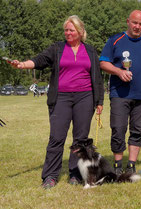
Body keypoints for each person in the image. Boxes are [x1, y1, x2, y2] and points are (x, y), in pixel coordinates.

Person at [7, 15, 104, 189]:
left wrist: (99, 101)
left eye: (71, 30)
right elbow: (39, 60)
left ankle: (75, 174)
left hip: (85, 97)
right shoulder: (57, 48)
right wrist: (22, 65)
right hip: (61, 97)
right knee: (56, 137)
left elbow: (97, 78)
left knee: (80, 139)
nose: (68, 33)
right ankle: (50, 176)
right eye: (66, 30)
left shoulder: (90, 51)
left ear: (80, 32)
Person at [100, 10, 141, 175]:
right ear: (128, 21)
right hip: (119, 94)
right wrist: (119, 72)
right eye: (135, 23)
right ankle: (118, 165)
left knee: (137, 130)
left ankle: (131, 165)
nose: (137, 27)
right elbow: (103, 63)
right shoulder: (115, 40)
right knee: (118, 129)